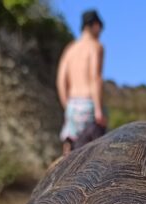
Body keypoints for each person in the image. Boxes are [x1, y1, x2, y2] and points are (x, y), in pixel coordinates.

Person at [56, 9, 107, 156]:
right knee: (94, 157)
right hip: (89, 106)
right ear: (95, 25)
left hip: (72, 106)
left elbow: (61, 81)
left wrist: (68, 107)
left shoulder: (70, 49)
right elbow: (95, 77)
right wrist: (98, 110)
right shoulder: (95, 46)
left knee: (69, 155)